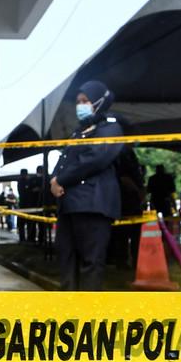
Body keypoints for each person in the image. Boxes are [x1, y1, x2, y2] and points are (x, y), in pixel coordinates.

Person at [50, 80, 124, 291]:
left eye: (85, 101)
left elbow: (94, 158)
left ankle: (88, 309)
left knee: (91, 261)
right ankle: (68, 305)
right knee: (66, 259)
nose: (80, 106)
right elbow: (64, 159)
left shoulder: (110, 128)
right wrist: (54, 179)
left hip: (93, 204)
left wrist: (61, 180)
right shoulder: (79, 132)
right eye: (78, 102)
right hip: (70, 204)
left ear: (100, 102)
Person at [146, 164, 176, 233]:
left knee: (157, 219)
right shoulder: (168, 178)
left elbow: (148, 190)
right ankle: (164, 232)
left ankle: (160, 231)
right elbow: (172, 191)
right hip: (164, 201)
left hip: (156, 201)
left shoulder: (152, 178)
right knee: (166, 219)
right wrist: (173, 204)